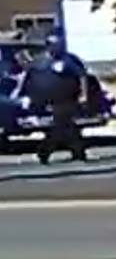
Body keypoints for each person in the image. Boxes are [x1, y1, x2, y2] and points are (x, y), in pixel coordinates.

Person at [24, 34, 89, 164]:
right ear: (47, 46)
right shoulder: (41, 61)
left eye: (58, 45)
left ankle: (46, 151)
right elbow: (30, 78)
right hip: (47, 101)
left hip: (66, 99)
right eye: (52, 45)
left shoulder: (68, 60)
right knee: (66, 127)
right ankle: (77, 151)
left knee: (61, 125)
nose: (56, 47)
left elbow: (81, 76)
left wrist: (83, 95)